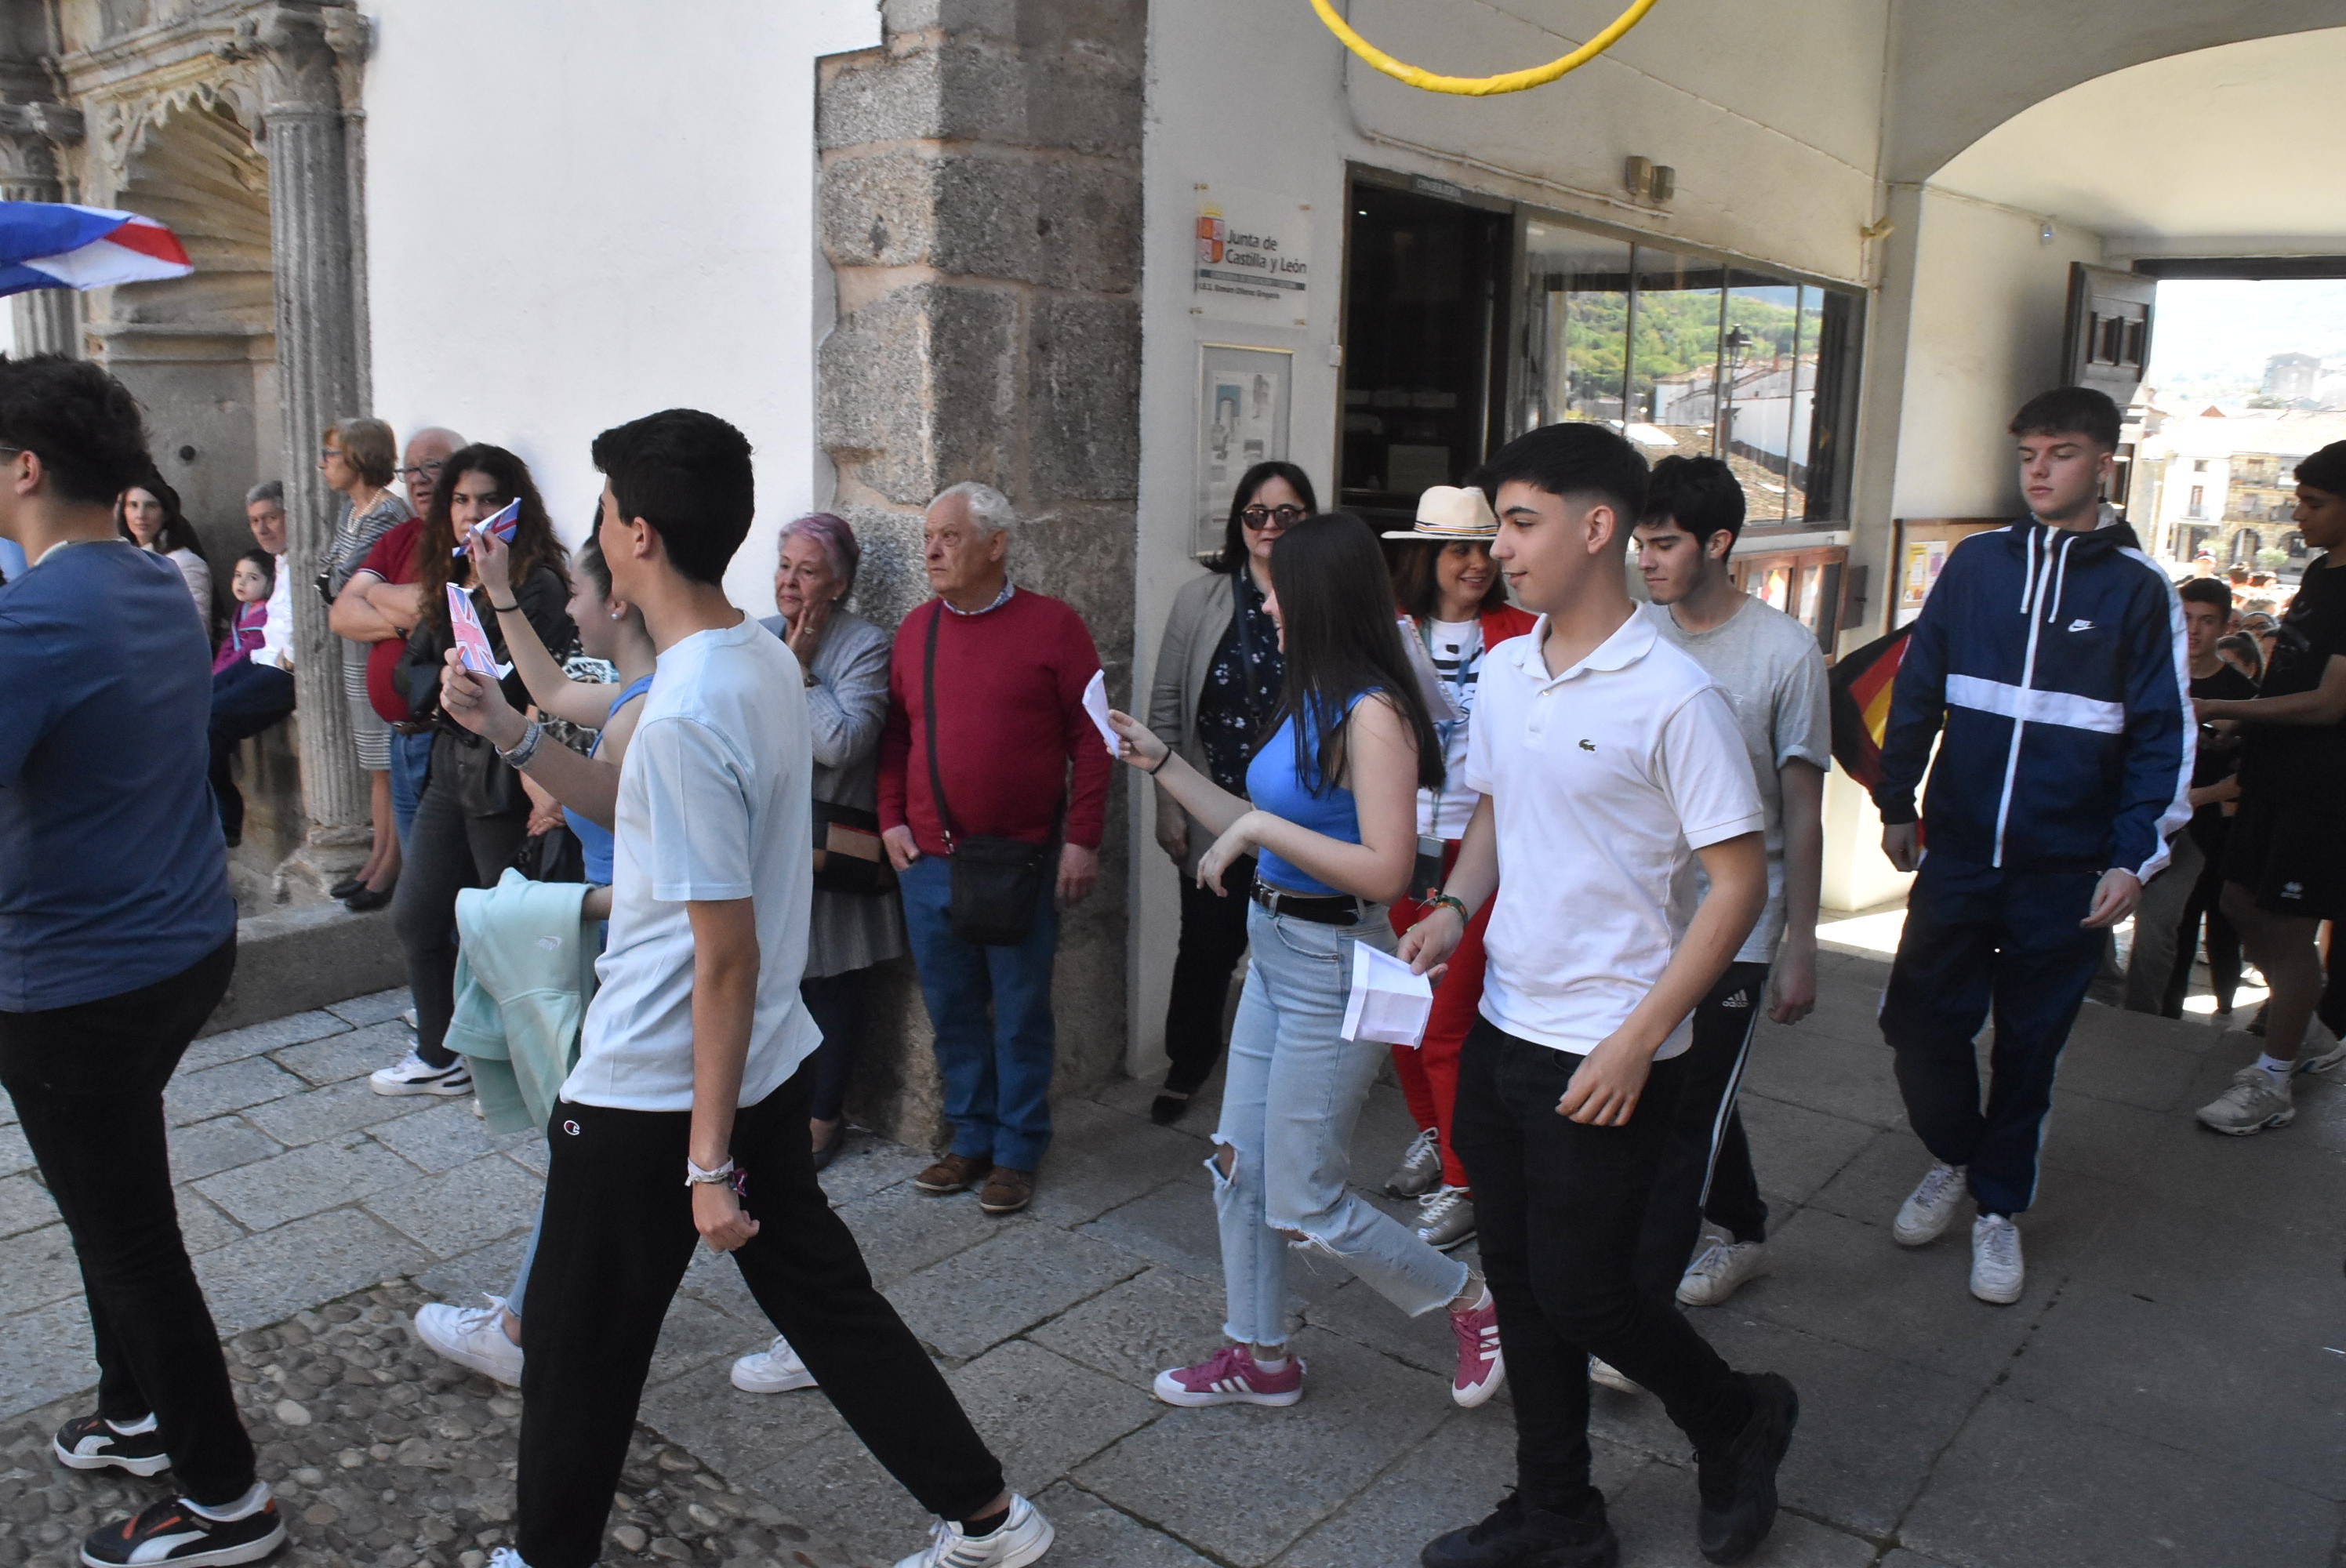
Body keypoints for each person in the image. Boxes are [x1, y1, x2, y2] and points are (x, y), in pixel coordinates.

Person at [443, 409, 1053, 1568]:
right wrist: (515, 734)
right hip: (753, 1056)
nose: (599, 532)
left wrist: (706, 1161)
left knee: (577, 1347)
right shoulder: (752, 657)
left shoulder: (689, 705)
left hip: (664, 1082)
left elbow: (716, 951)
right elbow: (643, 811)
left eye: (607, 513)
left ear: (639, 538)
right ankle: (989, 1517)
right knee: (828, 1309)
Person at [1398, 423, 1792, 1568]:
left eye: (1520, 523)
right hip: (1507, 1023)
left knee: (1589, 1297)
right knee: (1520, 1285)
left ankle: (1738, 1416)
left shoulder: (1675, 697)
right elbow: (1492, 816)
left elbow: (1736, 883)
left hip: (1608, 1045)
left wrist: (1639, 1041)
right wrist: (1455, 911)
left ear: (1597, 527)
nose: (1500, 548)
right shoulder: (1514, 667)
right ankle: (1558, 1511)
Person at [1104, 513, 1506, 1416]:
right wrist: (1162, 759)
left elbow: (1388, 868)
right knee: (1235, 1165)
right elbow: (1252, 815)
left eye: (1281, 586)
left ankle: (1471, 1301)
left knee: (1308, 1198)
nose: (1267, 601)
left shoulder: (1374, 711)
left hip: (1334, 960)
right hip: (1278, 944)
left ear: (1324, 595)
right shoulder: (1309, 691)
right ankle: (1261, 1355)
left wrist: (1255, 828)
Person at [0, 354, 285, 1567]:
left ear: (22, 468)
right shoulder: (144, 582)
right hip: (169, 943)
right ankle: (133, 1413)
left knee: (126, 1231)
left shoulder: (39, 615)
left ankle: (224, 1496)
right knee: (99, 1197)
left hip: (75, 976)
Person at [1872, 387, 2189, 1305]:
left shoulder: (2139, 591)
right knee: (1916, 1022)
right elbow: (1919, 678)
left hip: (2068, 868)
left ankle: (1997, 1208)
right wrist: (1898, 797)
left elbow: (2163, 738)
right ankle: (1957, 1154)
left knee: (2029, 1043)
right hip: (1960, 852)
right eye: (2029, 454)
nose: (2039, 470)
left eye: (2061, 452)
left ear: (2102, 465)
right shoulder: (1975, 566)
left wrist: (2133, 856)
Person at [409, 523, 656, 1388]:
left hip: (639, 954)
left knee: (588, 1142)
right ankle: (523, 1319)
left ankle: (519, 1329)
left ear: (614, 602)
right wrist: (500, 593)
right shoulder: (632, 690)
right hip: (623, 950)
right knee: (612, 1149)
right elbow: (546, 688)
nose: (572, 609)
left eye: (577, 596)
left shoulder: (644, 714)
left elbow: (648, 853)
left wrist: (557, 906)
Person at [1629, 455, 1828, 1316]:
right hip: (1645, 908)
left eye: (1665, 543)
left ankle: (1637, 1306)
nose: (1647, 559)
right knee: (1680, 1084)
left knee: (1687, 1106)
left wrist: (1802, 945)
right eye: (1639, 541)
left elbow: (1803, 811)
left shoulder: (1783, 652)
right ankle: (1742, 1225)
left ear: (1718, 542)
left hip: (1740, 917)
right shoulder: (1636, 628)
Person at [878, 482, 1110, 1217]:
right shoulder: (917, 631)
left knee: (1018, 1011)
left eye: (948, 536)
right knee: (951, 1008)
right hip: (930, 864)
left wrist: (1082, 839)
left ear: (995, 543)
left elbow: (1094, 738)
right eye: (928, 539)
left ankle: (1016, 1150)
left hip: (1020, 862)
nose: (934, 551)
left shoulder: (1054, 627)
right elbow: (895, 738)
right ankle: (968, 1138)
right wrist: (891, 820)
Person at [372, 444, 575, 1098]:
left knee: (509, 930)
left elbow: (522, 683)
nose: (473, 513)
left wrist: (464, 678)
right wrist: (448, 681)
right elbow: (411, 672)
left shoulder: (535, 582)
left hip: (506, 774)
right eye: (461, 500)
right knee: (417, 913)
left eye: (488, 499)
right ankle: (439, 1054)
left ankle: (536, 1067)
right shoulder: (449, 576)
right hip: (448, 770)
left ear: (516, 505)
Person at [1375, 483, 1535, 1254]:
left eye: (1484, 546)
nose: (1476, 562)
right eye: (1457, 548)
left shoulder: (1525, 633)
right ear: (1424, 556)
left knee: (1445, 1026)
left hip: (1478, 859)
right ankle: (1437, 1135)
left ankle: (1465, 1181)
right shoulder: (1388, 632)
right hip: (1397, 849)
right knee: (1402, 1021)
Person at [1142, 461, 1313, 1125]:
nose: (1269, 526)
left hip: (1296, 816)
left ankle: (1279, 1074)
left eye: (1286, 514)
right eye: (1256, 514)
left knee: (1289, 951)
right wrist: (1168, 805)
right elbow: (1165, 706)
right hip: (1211, 805)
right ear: (1238, 522)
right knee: (1207, 945)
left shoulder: (1318, 599)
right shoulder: (1200, 599)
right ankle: (1189, 1062)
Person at [2191, 440, 2346, 1134]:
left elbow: (2329, 703)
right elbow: (2293, 679)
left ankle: (2275, 1082)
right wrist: (2247, 735)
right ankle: (2308, 1033)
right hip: (2273, 775)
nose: (2298, 515)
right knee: (2237, 904)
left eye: (2314, 504)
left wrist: (2223, 708)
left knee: (2286, 929)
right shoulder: (2320, 577)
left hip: (2322, 792)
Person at [760, 513, 900, 1168]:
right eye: (785, 565)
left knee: (833, 984)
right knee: (773, 984)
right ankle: (774, 1108)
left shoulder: (864, 646)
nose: (789, 582)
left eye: (807, 570)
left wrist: (801, 671)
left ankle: (824, 1116)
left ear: (839, 585)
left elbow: (842, 745)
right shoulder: (756, 636)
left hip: (832, 845)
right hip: (768, 844)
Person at [332, 426, 466, 858]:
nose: (419, 478)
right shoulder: (400, 536)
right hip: (401, 736)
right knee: (417, 880)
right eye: (410, 468)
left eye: (432, 466)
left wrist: (373, 592)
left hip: (443, 737)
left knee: (441, 880)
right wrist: (403, 626)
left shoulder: (465, 540)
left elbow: (435, 607)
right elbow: (341, 613)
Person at [318, 418, 414, 907]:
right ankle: (376, 857)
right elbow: (333, 573)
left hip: (378, 642)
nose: (323, 464)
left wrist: (342, 587)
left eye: (331, 454)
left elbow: (342, 580)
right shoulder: (352, 513)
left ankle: (390, 866)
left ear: (358, 457)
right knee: (375, 763)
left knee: (389, 757)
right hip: (357, 643)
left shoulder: (387, 514)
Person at [2162, 576, 2252, 1018]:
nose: (2194, 630)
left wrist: (2200, 796)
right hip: (2156, 817)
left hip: (2213, 826)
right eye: (2186, 617)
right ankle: (2164, 1012)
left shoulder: (2242, 694)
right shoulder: (2157, 673)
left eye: (2207, 620)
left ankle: (2219, 1004)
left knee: (2218, 920)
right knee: (2169, 926)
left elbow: (2249, 774)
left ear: (2224, 626)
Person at [116, 472, 212, 628]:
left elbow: (197, 627)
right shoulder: (119, 559)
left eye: (151, 506)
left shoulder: (186, 563)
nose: (141, 515)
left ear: (166, 514)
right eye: (133, 505)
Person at [212, 550, 276, 673]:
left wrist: (218, 675)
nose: (241, 582)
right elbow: (229, 645)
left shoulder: (265, 616)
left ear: (270, 583)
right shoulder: (244, 607)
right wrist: (216, 671)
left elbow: (245, 654)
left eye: (252, 578)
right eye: (238, 575)